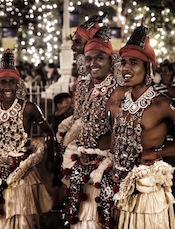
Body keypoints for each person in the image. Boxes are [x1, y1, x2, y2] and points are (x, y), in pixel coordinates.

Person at [109, 25, 175, 228]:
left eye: (133, 63)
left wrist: (160, 153)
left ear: (149, 68)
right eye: (123, 63)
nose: (125, 68)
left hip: (148, 194)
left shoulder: (164, 103)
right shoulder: (119, 103)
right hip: (119, 189)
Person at [0, 49, 54, 228]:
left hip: (22, 171)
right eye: (3, 82)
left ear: (19, 84)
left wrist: (49, 154)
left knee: (23, 217)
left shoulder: (29, 108)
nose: (8, 87)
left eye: (12, 82)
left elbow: (49, 132)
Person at [61, 26, 124, 228]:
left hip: (106, 165)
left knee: (102, 218)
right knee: (78, 216)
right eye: (89, 58)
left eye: (99, 58)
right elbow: (80, 119)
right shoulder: (83, 84)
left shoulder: (118, 89)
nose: (92, 63)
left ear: (111, 61)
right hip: (81, 159)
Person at [57, 13, 106, 147]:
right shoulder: (83, 78)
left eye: (77, 42)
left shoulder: (106, 80)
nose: (72, 47)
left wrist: (68, 140)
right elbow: (80, 114)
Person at [50, 93, 73, 211]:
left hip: (69, 148)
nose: (69, 105)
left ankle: (65, 202)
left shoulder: (69, 114)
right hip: (59, 150)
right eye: (66, 102)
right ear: (58, 105)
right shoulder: (57, 115)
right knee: (57, 177)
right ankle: (55, 203)